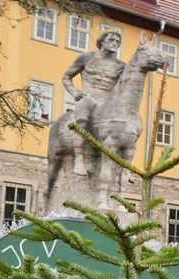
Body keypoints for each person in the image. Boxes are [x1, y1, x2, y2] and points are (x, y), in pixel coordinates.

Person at [62, 30, 125, 176]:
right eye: (111, 40)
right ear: (101, 42)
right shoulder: (86, 58)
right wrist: (74, 92)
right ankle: (78, 160)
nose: (115, 43)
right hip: (88, 97)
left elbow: (125, 87)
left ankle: (123, 167)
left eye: (118, 41)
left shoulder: (121, 66)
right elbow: (66, 77)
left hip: (108, 102)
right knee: (83, 112)